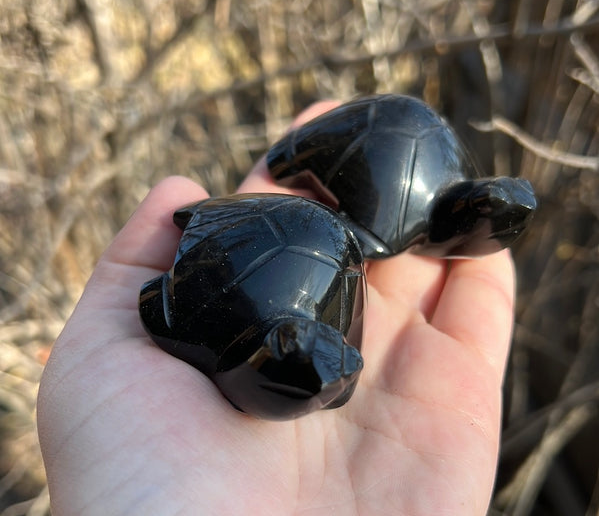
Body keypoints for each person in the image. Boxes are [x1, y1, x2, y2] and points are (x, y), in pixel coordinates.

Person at [37, 102, 515, 516]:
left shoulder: (304, 352)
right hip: (272, 241)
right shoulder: (204, 323)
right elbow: (158, 303)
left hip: (323, 252)